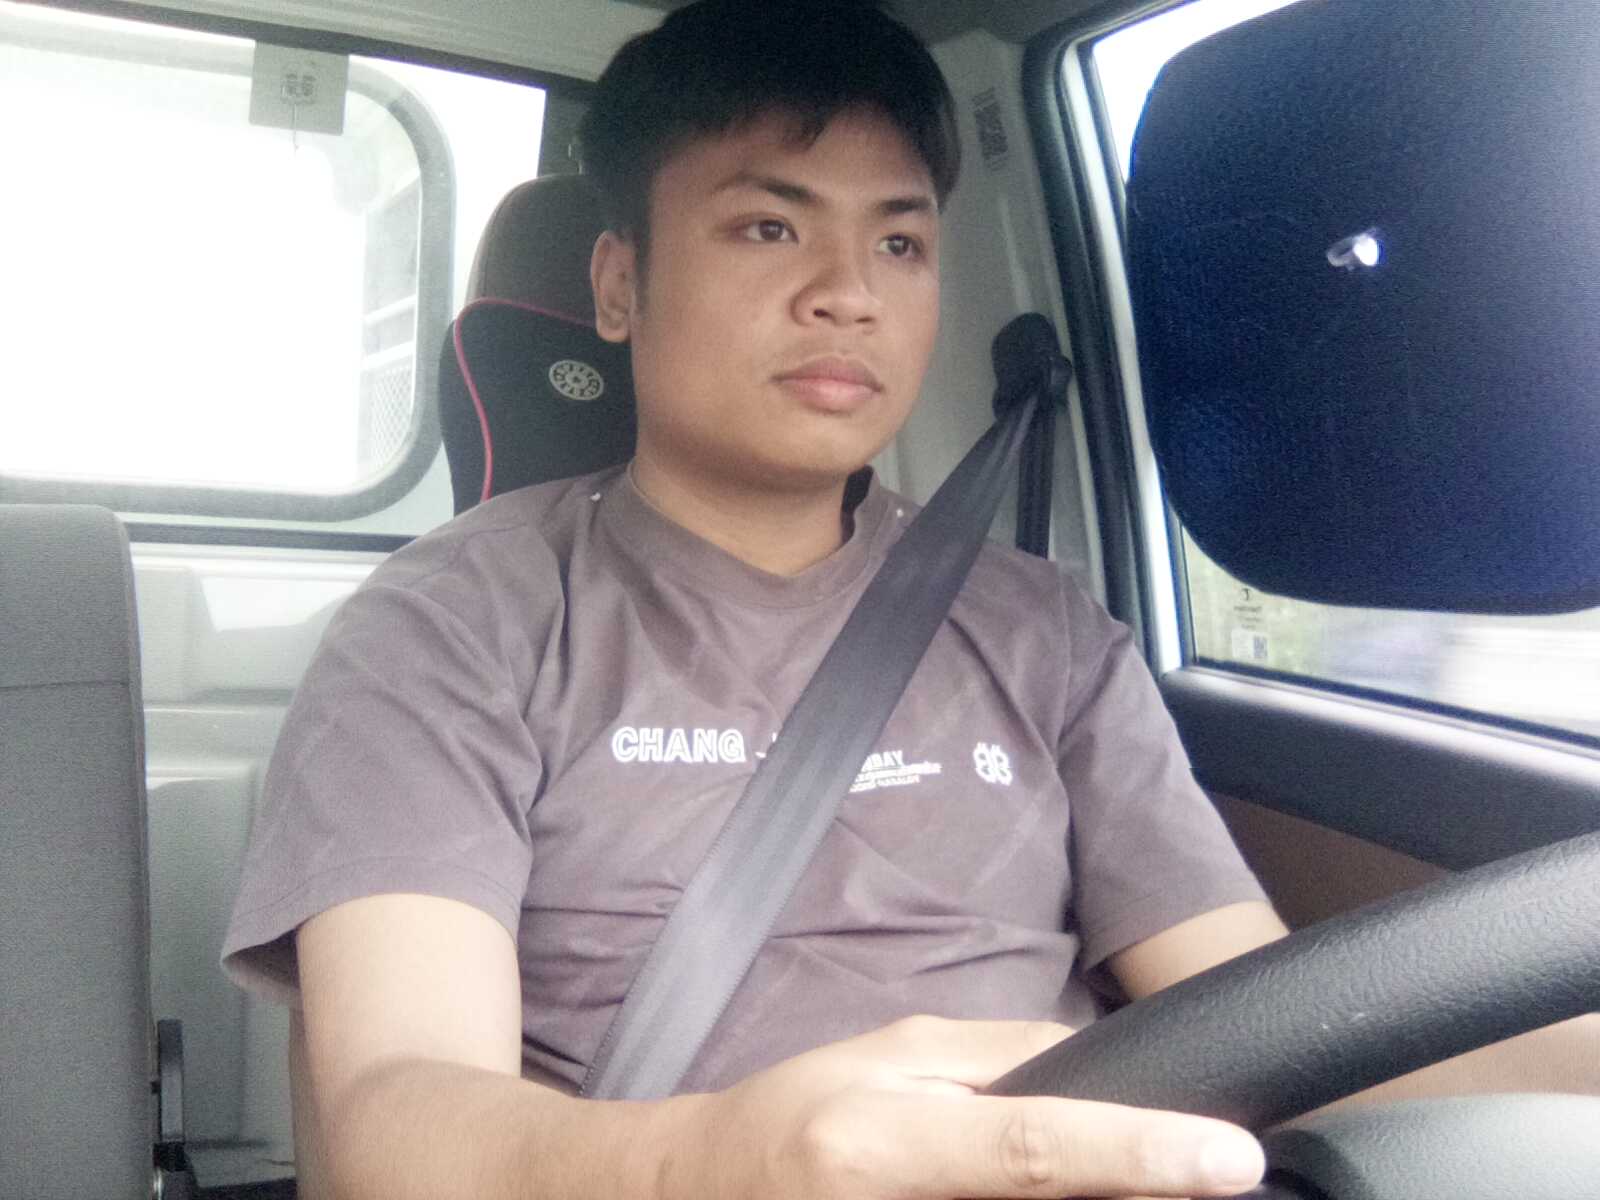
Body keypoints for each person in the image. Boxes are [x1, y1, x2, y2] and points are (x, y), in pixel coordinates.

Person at [221, 2, 1596, 1197]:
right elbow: (399, 1110)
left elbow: (1264, 1012)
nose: (847, 295)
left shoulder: (1049, 633)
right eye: (769, 226)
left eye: (900, 245)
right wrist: (712, 1163)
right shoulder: (454, 619)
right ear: (622, 283)